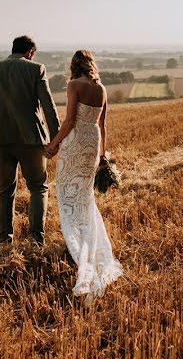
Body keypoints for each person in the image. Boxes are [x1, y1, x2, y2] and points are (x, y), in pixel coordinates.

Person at [46, 49, 123, 299]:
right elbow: (103, 125)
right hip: (92, 142)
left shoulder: (73, 85)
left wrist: (53, 145)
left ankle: (79, 248)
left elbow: (69, 121)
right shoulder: (101, 88)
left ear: (74, 65)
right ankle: (90, 243)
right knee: (85, 196)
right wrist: (102, 156)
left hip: (76, 140)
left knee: (67, 194)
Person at [0, 35, 61, 246]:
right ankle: (36, 240)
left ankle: (4, 241)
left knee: (5, 190)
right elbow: (48, 107)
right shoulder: (36, 69)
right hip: (31, 140)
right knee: (38, 187)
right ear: (30, 52)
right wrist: (56, 139)